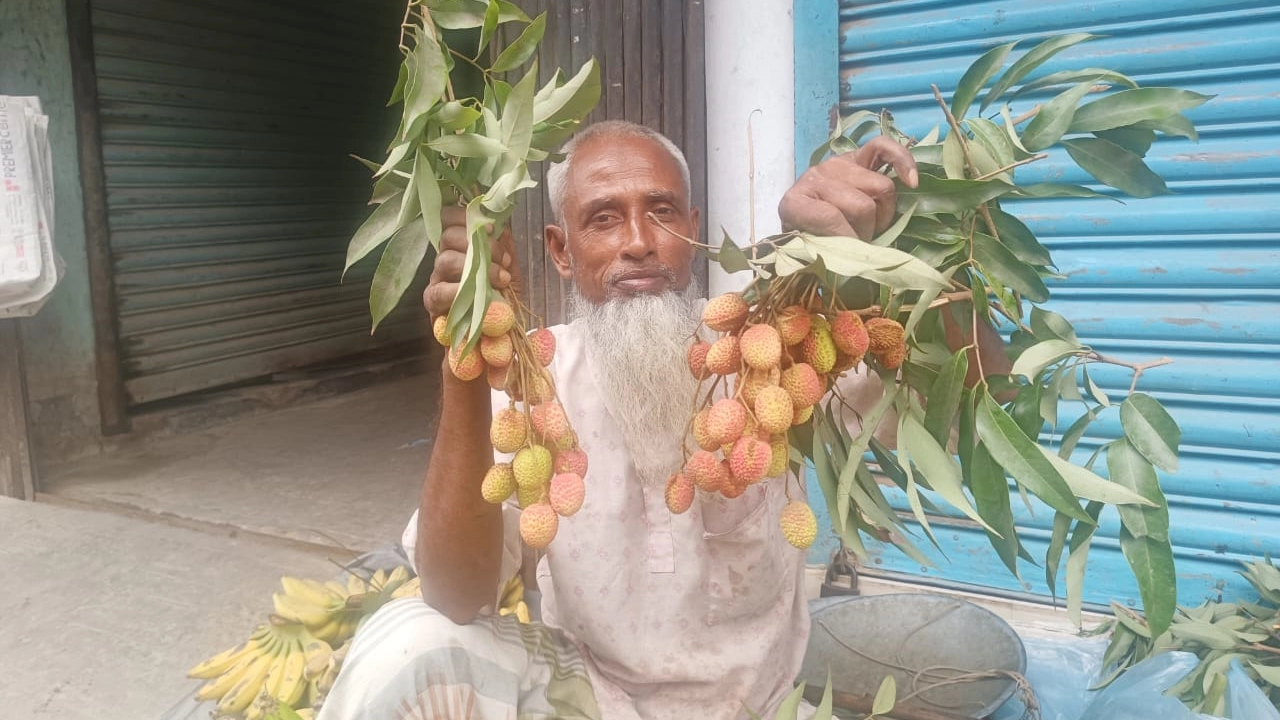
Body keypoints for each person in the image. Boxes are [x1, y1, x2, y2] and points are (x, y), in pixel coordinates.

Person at [318, 120, 1008, 720]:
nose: (640, 241)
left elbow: (984, 406)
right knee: (406, 645)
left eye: (663, 212)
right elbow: (455, 593)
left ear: (694, 231)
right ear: (560, 249)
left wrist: (898, 251)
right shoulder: (536, 384)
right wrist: (464, 363)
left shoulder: (770, 360)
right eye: (603, 218)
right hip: (587, 697)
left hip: (751, 707)